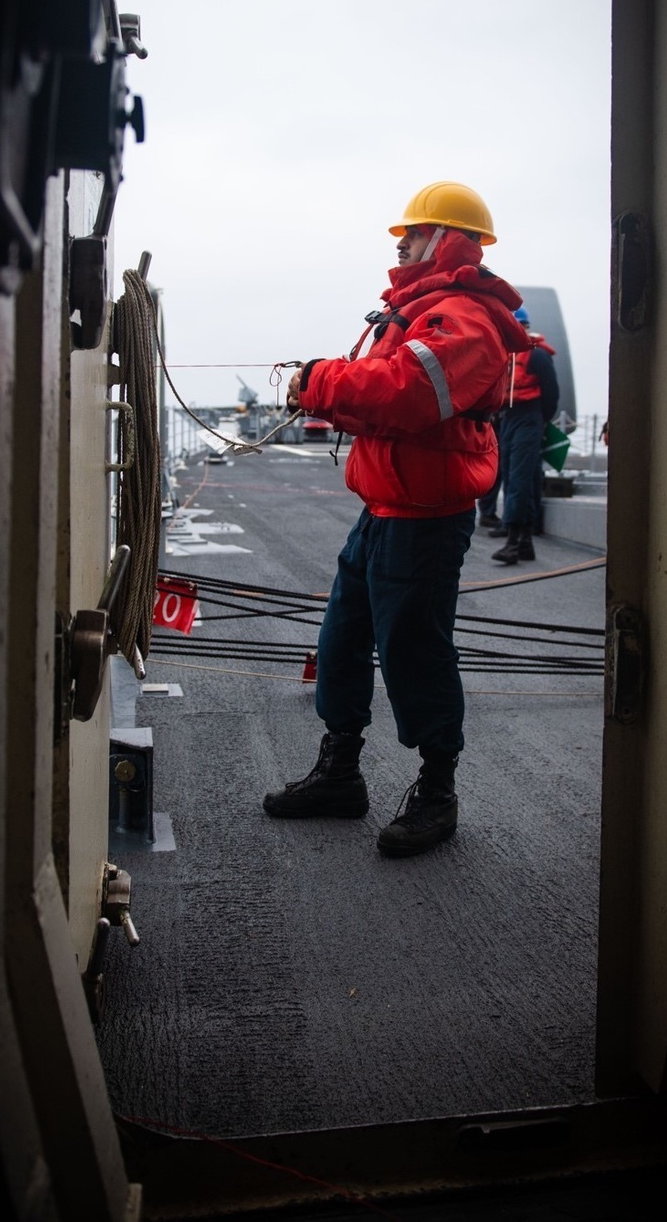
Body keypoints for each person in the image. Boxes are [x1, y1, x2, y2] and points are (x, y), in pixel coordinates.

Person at [262, 181, 530, 856]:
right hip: (383, 509)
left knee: (417, 652)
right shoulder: (417, 309)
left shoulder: (462, 316)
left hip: (426, 518)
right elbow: (378, 400)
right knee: (341, 641)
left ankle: (438, 791)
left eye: (413, 231)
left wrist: (320, 379)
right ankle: (339, 773)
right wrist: (322, 385)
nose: (402, 241)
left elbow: (409, 394)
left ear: (447, 237)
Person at [490, 305, 560, 566]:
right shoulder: (508, 354)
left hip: (529, 419)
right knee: (514, 476)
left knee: (518, 479)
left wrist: (539, 421)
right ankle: (525, 543)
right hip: (509, 420)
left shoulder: (538, 356)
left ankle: (513, 542)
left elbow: (551, 393)